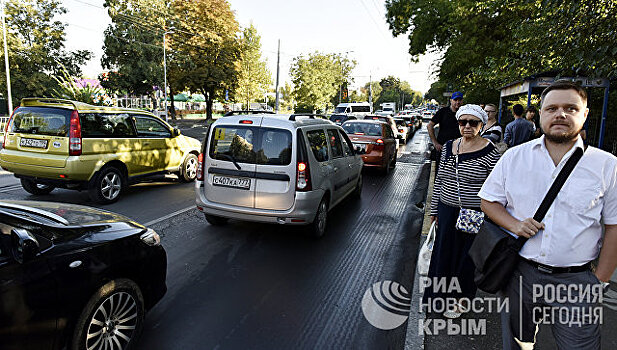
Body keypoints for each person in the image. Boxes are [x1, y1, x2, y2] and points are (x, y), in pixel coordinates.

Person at [479, 80, 617, 350]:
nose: (560, 114)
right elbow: (488, 200)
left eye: (570, 108)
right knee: (518, 344)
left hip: (577, 281)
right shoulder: (514, 157)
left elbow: (614, 225)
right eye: (552, 108)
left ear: (585, 114)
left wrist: (600, 280)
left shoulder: (607, 165)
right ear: (539, 114)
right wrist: (515, 225)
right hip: (520, 274)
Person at [423, 104, 501, 318]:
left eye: (472, 122)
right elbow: (440, 179)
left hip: (474, 214)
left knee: (466, 260)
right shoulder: (449, 146)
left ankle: (460, 302)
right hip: (447, 212)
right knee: (443, 256)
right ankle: (437, 299)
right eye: (462, 122)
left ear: (481, 125)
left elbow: (497, 188)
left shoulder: (490, 152)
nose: (467, 126)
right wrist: (435, 209)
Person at [427, 91, 464, 172]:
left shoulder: (464, 113)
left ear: (462, 101)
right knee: (440, 172)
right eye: (455, 100)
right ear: (451, 100)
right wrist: (435, 143)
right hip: (443, 149)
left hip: (459, 150)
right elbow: (429, 125)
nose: (457, 102)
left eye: (459, 100)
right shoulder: (443, 112)